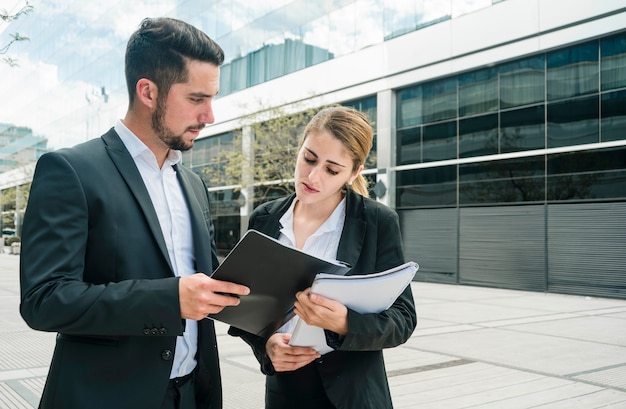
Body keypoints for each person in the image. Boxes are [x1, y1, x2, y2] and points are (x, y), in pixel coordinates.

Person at [19, 17, 250, 409]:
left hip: (193, 394)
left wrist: (269, 337)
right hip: (105, 397)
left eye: (212, 98)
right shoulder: (70, 170)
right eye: (196, 99)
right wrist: (168, 299)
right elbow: (44, 300)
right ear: (147, 91)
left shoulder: (193, 184)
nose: (210, 116)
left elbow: (210, 288)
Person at [228, 106, 417, 409]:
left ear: (354, 173)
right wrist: (267, 348)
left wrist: (345, 323)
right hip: (285, 393)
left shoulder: (378, 221)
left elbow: (404, 319)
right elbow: (246, 308)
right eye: (309, 158)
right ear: (300, 148)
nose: (313, 176)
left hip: (353, 397)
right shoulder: (264, 218)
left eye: (331, 170)